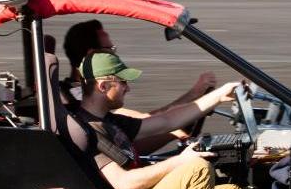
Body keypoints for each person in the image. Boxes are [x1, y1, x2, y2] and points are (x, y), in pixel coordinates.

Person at [63, 51, 285, 189]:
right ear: (103, 86)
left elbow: (167, 120)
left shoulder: (109, 120)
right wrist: (180, 161)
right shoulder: (88, 130)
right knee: (196, 168)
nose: (128, 88)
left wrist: (218, 95)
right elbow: (124, 184)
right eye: (123, 82)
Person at [61, 19, 215, 152]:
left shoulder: (79, 95)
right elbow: (149, 122)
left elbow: (141, 121)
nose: (115, 53)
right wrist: (194, 94)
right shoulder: (82, 100)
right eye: (111, 49)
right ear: (93, 55)